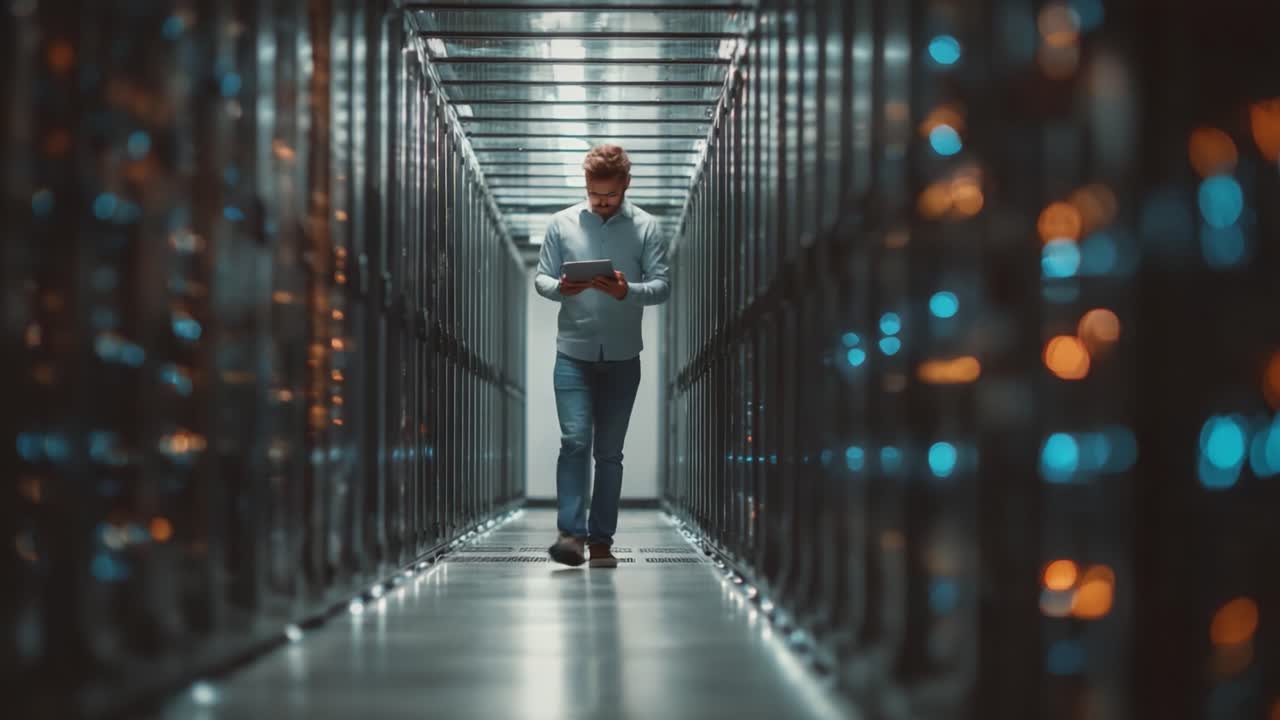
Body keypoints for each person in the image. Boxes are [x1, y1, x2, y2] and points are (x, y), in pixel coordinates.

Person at [534, 144, 671, 568]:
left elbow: (663, 285)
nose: (601, 202)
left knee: (609, 452)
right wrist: (561, 287)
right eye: (594, 194)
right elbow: (541, 277)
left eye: (609, 195)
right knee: (575, 441)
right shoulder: (562, 224)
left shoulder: (648, 228)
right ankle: (571, 535)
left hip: (623, 357)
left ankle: (601, 542)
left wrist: (626, 290)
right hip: (572, 353)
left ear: (626, 184)